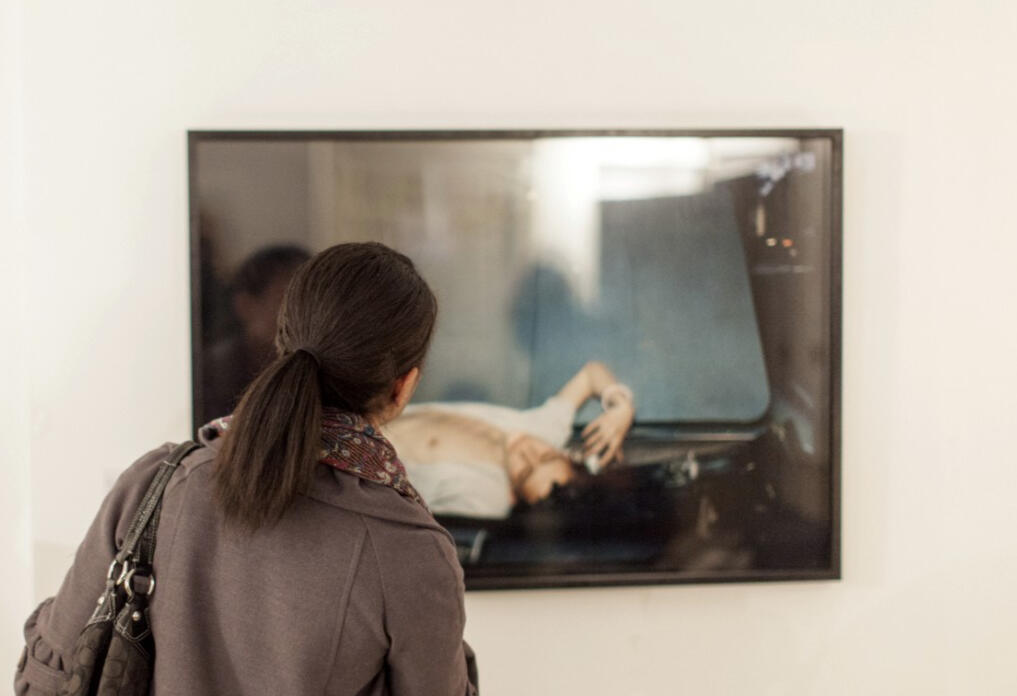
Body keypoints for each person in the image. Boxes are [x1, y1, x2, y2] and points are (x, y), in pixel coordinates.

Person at [16, 242, 477, 695]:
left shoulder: (155, 484)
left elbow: (46, 677)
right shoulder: (411, 550)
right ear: (404, 386)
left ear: (283, 341)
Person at [382, 360, 636, 519]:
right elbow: (592, 375)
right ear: (564, 453)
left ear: (513, 496)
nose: (527, 452)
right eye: (546, 456)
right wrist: (621, 407)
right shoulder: (545, 430)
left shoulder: (485, 499)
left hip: (351, 457)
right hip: (369, 406)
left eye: (524, 471)